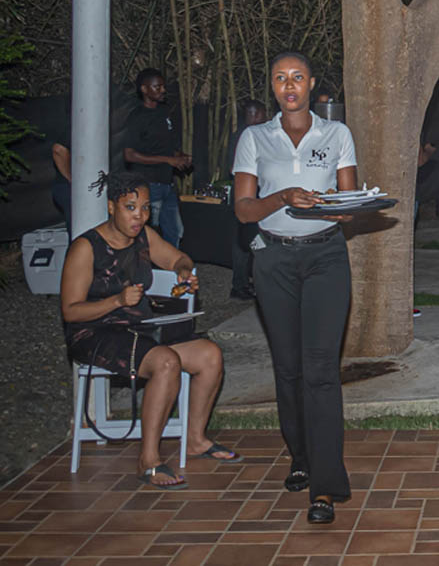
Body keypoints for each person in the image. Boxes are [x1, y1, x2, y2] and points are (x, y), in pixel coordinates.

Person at [233, 52, 360, 525]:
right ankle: (301, 456)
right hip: (273, 260)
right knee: (288, 368)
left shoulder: (337, 134)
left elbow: (348, 205)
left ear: (311, 84)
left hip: (326, 257)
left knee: (321, 369)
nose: (289, 86)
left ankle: (325, 487)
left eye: (297, 78)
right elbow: (244, 210)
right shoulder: (254, 138)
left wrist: (331, 204)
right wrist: (283, 197)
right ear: (272, 86)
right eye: (280, 79)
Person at [60, 171, 237, 490]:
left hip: (139, 329)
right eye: (130, 207)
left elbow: (178, 257)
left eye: (144, 208)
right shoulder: (86, 247)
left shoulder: (144, 237)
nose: (139, 216)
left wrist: (184, 271)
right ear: (111, 206)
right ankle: (148, 460)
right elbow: (71, 311)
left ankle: (195, 440)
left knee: (209, 355)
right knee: (166, 362)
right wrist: (116, 300)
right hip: (95, 334)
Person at [123, 68, 191, 247]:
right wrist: (168, 160)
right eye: (157, 87)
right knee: (148, 235)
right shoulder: (137, 117)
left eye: (163, 86)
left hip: (167, 183)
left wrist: (180, 157)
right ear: (144, 89)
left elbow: (164, 148)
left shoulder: (163, 112)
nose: (163, 90)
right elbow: (129, 155)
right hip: (148, 185)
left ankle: (170, 264)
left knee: (175, 232)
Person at [228, 100, 268, 301]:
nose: (264, 117)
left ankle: (246, 282)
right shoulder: (245, 136)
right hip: (245, 199)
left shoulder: (255, 135)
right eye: (261, 113)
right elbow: (234, 169)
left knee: (252, 242)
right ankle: (239, 285)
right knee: (245, 244)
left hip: (254, 197)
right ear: (253, 114)